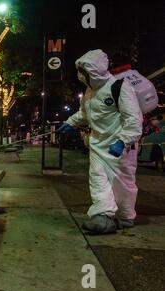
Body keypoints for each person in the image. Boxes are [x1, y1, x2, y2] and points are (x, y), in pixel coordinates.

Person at [59, 49, 143, 234]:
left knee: (122, 183)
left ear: (95, 70)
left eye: (86, 70)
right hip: (97, 144)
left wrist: (123, 140)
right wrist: (69, 123)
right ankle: (103, 216)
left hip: (119, 147)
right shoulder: (89, 91)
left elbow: (134, 119)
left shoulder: (120, 87)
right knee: (97, 179)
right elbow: (85, 113)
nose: (82, 75)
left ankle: (125, 216)